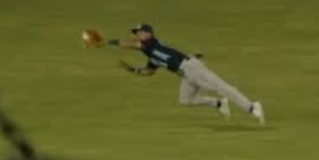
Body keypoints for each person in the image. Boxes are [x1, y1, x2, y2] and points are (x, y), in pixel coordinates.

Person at [106, 24, 265, 124]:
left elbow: (133, 44)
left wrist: (106, 42)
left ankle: (251, 106)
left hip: (192, 68)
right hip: (186, 75)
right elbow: (149, 71)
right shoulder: (151, 55)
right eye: (136, 33)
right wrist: (131, 69)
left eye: (140, 32)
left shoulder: (152, 43)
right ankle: (218, 103)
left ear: (149, 34)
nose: (137, 35)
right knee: (185, 100)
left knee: (222, 87)